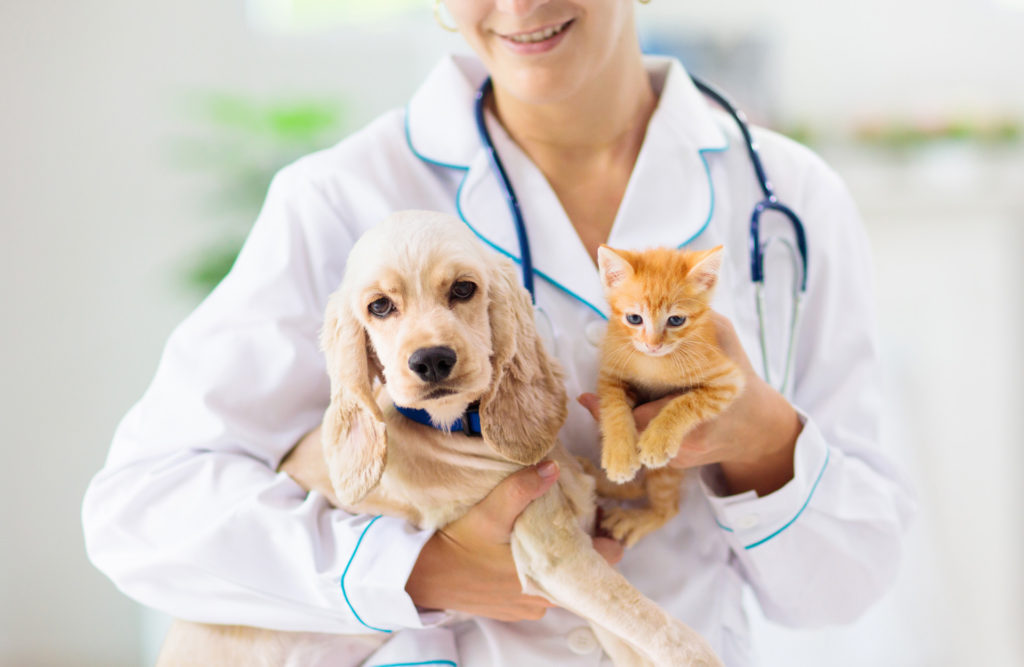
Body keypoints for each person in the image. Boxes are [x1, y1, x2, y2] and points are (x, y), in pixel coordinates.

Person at [82, 1, 915, 665]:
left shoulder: (790, 198)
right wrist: (413, 568)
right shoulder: (338, 200)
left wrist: (765, 436)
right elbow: (141, 513)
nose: (519, 2)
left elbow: (844, 585)